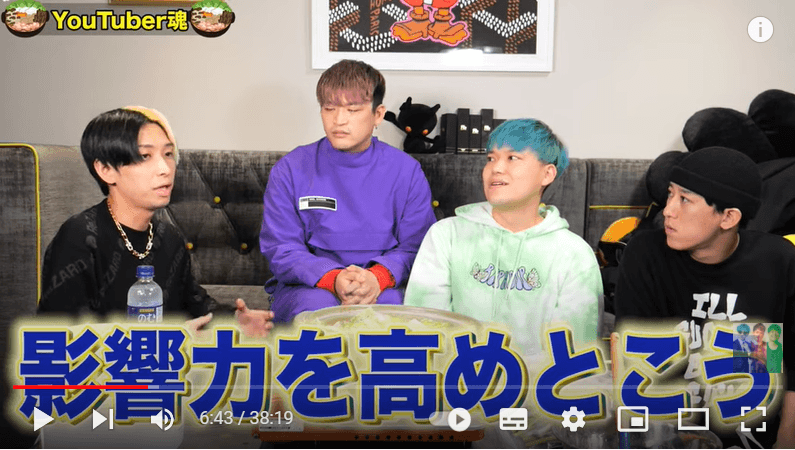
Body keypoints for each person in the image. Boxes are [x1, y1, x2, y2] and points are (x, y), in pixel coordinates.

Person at [614, 146, 795, 448]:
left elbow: (790, 363)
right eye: (670, 195)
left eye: (685, 200)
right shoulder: (645, 255)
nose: (668, 210)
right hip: (671, 433)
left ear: (728, 217)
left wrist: (787, 440)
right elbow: (635, 366)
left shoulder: (777, 261)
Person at [38, 107, 273, 337]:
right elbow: (60, 338)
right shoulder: (79, 237)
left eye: (168, 154)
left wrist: (234, 320)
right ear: (106, 169)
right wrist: (170, 340)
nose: (165, 169)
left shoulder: (168, 237)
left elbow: (196, 305)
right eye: (145, 156)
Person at [403, 118, 602, 356]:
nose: (496, 168)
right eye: (491, 158)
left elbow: (575, 349)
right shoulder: (447, 235)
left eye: (512, 158)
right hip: (456, 374)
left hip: (538, 379)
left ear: (547, 174)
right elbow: (424, 325)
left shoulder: (574, 254)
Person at [259, 60, 436, 322]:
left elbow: (418, 246)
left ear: (378, 115)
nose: (339, 120)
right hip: (309, 287)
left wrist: (378, 277)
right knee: (316, 313)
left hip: (384, 286)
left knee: (394, 314)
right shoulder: (290, 168)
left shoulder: (406, 171)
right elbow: (281, 247)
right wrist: (332, 278)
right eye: (329, 108)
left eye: (352, 110)